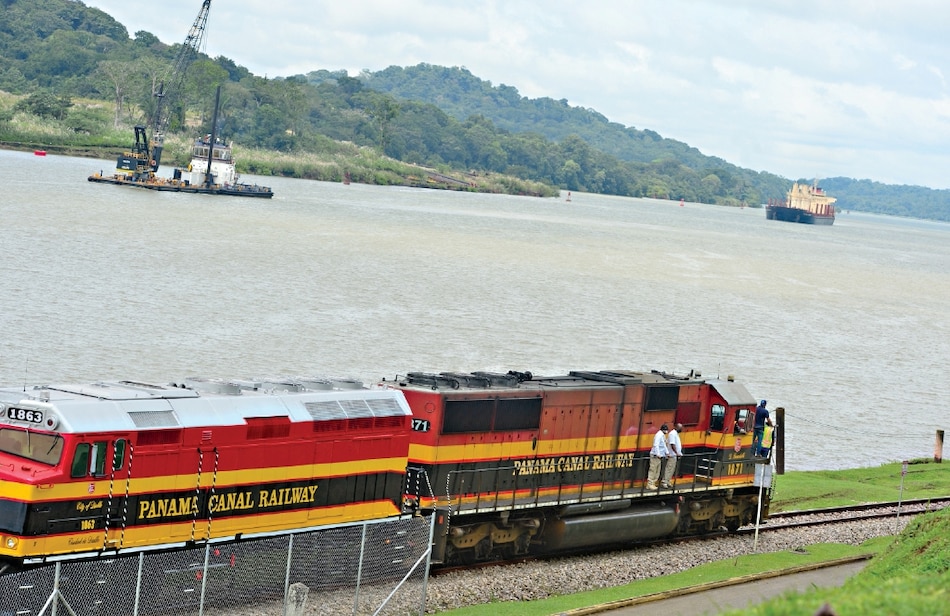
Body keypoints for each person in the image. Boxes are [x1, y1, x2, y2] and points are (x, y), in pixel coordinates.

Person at [646, 424, 670, 490]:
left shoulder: (662, 435)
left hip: (659, 456)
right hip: (655, 456)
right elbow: (656, 445)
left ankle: (653, 483)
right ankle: (650, 484)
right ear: (664, 430)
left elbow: (664, 445)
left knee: (657, 470)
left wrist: (667, 453)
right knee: (653, 470)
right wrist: (658, 454)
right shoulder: (658, 435)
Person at [662, 423, 684, 489]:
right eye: (680, 428)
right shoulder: (672, 434)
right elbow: (672, 444)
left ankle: (668, 481)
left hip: (674, 455)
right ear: (676, 427)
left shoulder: (676, 434)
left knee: (672, 469)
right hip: (672, 454)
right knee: (669, 468)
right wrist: (677, 453)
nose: (681, 429)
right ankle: (664, 482)